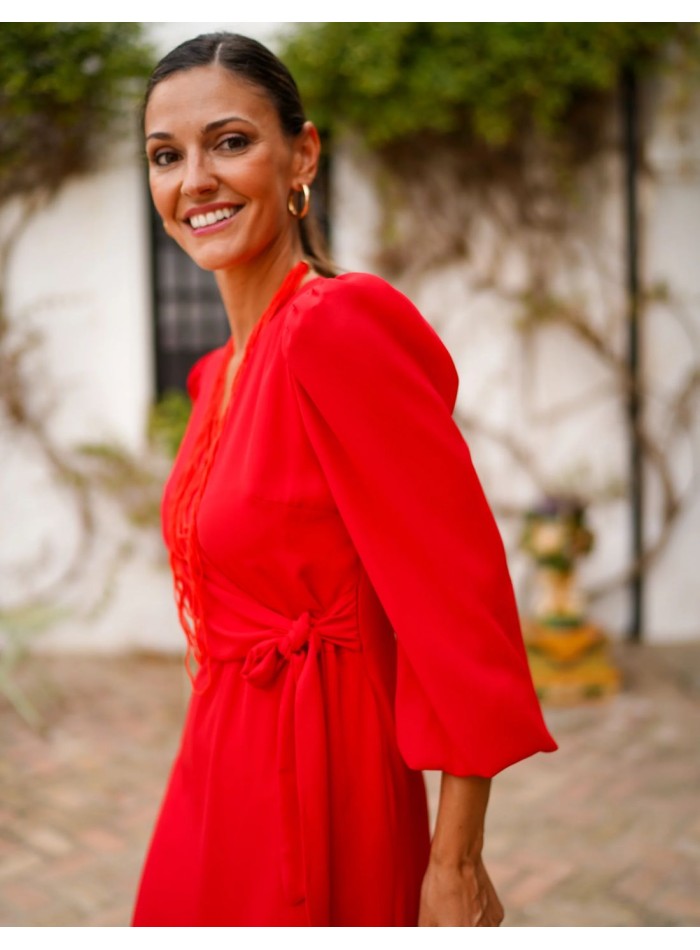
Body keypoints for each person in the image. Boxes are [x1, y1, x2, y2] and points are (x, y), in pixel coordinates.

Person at [132, 31, 557, 928]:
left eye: (230, 141)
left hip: (326, 781)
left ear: (303, 154)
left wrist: (456, 862)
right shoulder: (213, 375)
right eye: (166, 157)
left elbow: (455, 595)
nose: (194, 179)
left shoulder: (339, 327)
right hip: (216, 770)